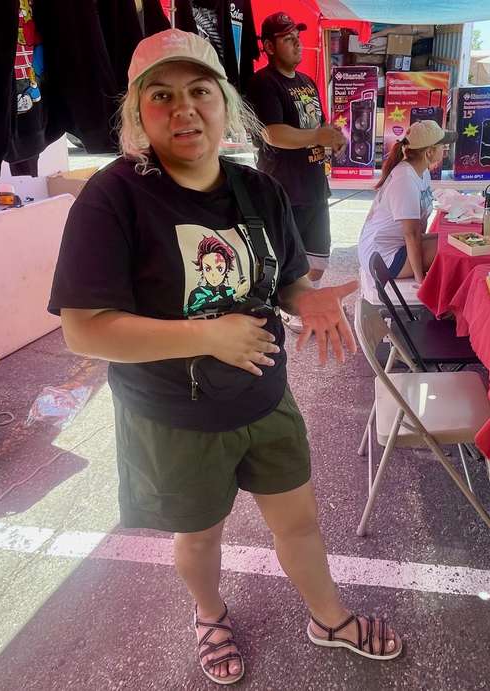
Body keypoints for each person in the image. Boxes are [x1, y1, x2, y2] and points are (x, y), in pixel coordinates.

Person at [48, 29, 401, 686]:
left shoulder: (258, 190)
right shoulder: (115, 197)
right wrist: (206, 336)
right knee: (200, 534)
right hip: (173, 414)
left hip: (264, 395)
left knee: (298, 519)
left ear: (225, 102)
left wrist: (309, 299)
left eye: (199, 91)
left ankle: (329, 617)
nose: (184, 109)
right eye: (162, 95)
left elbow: (285, 278)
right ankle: (209, 613)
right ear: (137, 113)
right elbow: (84, 329)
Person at [245, 11, 346, 334]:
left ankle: (295, 302)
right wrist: (318, 136)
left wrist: (333, 139)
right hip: (283, 189)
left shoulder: (307, 82)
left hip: (315, 184)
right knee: (284, 261)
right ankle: (285, 309)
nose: (297, 45)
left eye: (297, 38)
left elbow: (316, 127)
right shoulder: (263, 83)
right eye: (288, 40)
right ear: (269, 46)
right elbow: (272, 134)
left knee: (317, 260)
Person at [357, 120, 453, 283]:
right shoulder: (405, 179)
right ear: (429, 152)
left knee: (455, 240)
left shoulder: (422, 172)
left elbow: (416, 233)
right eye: (442, 145)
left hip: (394, 246)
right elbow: (411, 234)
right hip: (385, 257)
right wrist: (419, 278)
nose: (445, 149)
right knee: (453, 248)